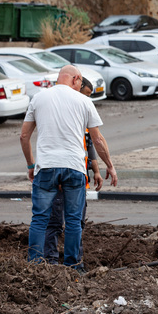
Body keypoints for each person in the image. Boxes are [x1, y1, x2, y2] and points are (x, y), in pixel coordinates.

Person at [19, 65, 118, 274]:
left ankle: (35, 267)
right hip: (74, 167)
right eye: (81, 83)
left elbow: (24, 136)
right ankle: (74, 267)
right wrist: (109, 165)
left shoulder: (39, 98)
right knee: (73, 220)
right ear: (76, 79)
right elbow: (97, 139)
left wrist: (30, 164)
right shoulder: (84, 101)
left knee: (40, 218)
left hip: (46, 167)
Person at [44, 77, 103, 271]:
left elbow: (90, 143)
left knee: (76, 223)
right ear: (76, 85)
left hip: (78, 177)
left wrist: (96, 170)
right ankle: (53, 262)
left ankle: (74, 261)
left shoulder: (81, 111)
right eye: (85, 94)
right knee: (55, 222)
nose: (87, 99)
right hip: (63, 174)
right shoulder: (61, 111)